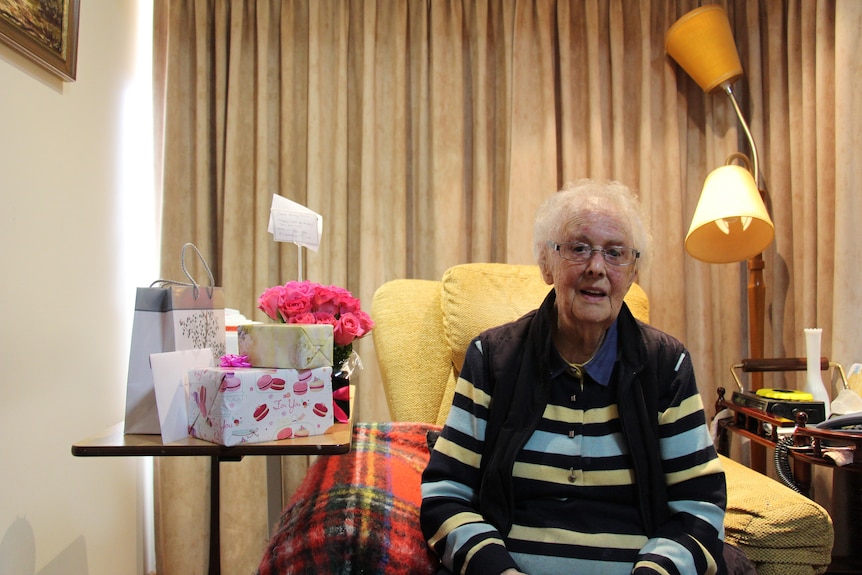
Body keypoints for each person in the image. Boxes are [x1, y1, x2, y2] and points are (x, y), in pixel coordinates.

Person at [420, 179, 732, 575]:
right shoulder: (493, 357)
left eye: (615, 253)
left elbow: (698, 506)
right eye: (578, 248)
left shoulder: (666, 365)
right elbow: (446, 495)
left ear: (633, 272)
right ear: (546, 265)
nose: (596, 267)